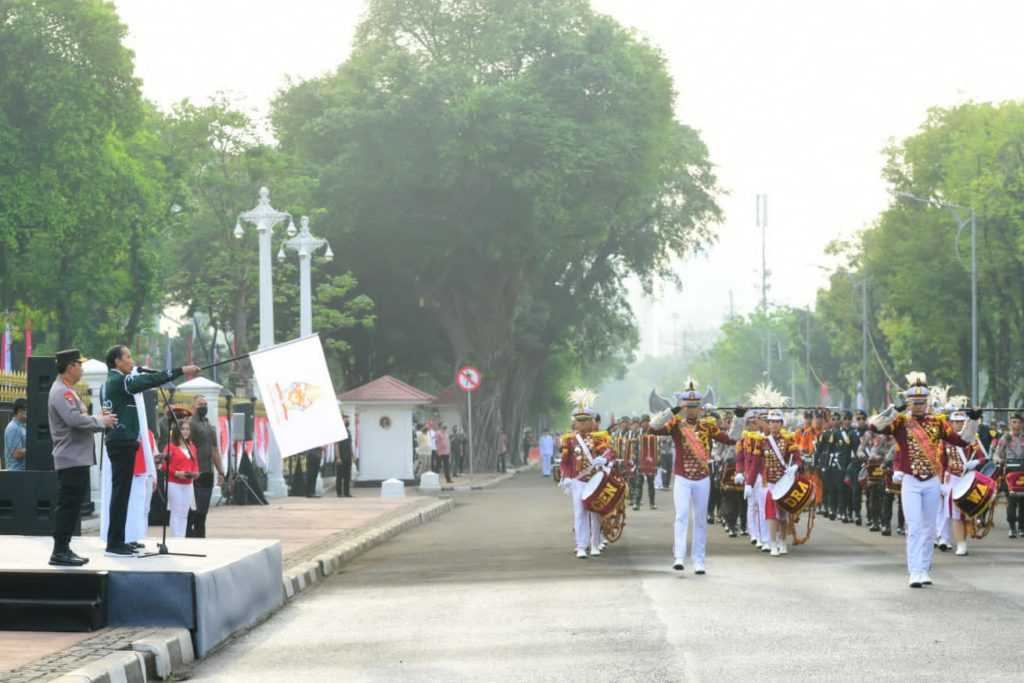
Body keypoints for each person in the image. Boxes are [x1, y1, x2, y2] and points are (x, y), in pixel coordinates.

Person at [869, 372, 979, 588]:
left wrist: (973, 420)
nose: (918, 406)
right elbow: (875, 426)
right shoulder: (900, 422)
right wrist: (893, 410)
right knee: (915, 526)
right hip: (910, 480)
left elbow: (962, 440)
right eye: (914, 402)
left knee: (929, 527)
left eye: (922, 402)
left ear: (926, 402)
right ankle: (915, 571)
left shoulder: (937, 423)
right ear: (908, 402)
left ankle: (925, 568)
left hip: (932, 480)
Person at [102, 344, 198, 557]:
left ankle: (119, 539)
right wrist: (181, 371)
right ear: (117, 361)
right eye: (127, 357)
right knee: (120, 495)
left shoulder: (111, 382)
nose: (131, 360)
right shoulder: (121, 380)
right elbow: (149, 381)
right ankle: (115, 542)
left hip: (120, 442)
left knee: (122, 494)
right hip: (122, 442)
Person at [649, 380, 743, 574]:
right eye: (688, 407)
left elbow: (731, 439)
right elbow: (653, 428)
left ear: (700, 408)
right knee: (681, 516)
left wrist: (739, 418)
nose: (692, 411)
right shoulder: (675, 424)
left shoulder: (708, 426)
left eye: (695, 407)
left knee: (700, 519)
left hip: (702, 478)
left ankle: (699, 560)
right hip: (682, 478)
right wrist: (671, 411)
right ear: (683, 407)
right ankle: (679, 557)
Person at [48, 349, 116, 566]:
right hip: (71, 458)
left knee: (72, 505)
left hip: (76, 457)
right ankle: (59, 551)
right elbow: (75, 420)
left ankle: (64, 548)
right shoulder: (62, 392)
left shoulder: (67, 390)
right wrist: (100, 422)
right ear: (70, 367)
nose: (82, 369)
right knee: (68, 506)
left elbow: (79, 419)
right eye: (80, 364)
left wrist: (96, 421)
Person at [558, 388, 616, 559]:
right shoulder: (569, 439)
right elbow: (565, 460)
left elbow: (610, 452)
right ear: (574, 423)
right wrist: (566, 477)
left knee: (595, 513)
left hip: (595, 480)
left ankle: (595, 544)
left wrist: (604, 459)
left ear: (592, 422)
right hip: (577, 480)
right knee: (580, 513)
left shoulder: (600, 437)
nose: (582, 424)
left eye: (586, 420)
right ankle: (581, 546)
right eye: (579, 421)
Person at [744, 408, 802, 556]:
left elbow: (797, 458)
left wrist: (795, 466)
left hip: (784, 482)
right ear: (768, 424)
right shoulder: (761, 441)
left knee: (783, 514)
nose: (774, 425)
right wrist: (749, 484)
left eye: (777, 422)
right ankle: (772, 542)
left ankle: (782, 540)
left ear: (782, 423)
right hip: (768, 482)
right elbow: (755, 464)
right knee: (770, 513)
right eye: (771, 422)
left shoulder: (788, 439)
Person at [187, 395, 224, 538]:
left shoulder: (209, 425)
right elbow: (187, 447)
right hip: (196, 473)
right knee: (195, 511)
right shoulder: (190, 424)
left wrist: (221, 471)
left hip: (208, 471)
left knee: (203, 511)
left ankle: (200, 538)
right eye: (200, 404)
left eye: (205, 404)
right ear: (193, 406)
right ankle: (191, 538)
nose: (203, 407)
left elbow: (214, 449)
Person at [165, 417, 199, 538]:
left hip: (188, 483)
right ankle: (175, 537)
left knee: (184, 513)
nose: (185, 431)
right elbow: (164, 465)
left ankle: (181, 537)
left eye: (187, 429)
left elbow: (195, 464)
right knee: (176, 511)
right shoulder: (171, 447)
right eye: (183, 429)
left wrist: (195, 473)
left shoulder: (192, 447)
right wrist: (175, 473)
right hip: (174, 483)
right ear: (177, 431)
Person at [993, 412, 1024, 538]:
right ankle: (1012, 527)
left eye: (1018, 422)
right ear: (1010, 424)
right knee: (1011, 501)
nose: (1016, 425)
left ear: (1022, 424)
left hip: (1023, 472)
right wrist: (999, 460)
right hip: (1010, 472)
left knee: (1023, 502)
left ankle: (1022, 527)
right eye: (1013, 422)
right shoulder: (1005, 438)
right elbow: (996, 454)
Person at [634, 416, 658, 511]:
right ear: (641, 423)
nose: (645, 423)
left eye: (647, 421)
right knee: (638, 483)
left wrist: (658, 457)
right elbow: (635, 447)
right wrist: (635, 456)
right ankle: (636, 503)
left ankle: (652, 503)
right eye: (643, 422)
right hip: (641, 461)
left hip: (651, 462)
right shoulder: (637, 433)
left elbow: (658, 445)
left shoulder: (654, 431)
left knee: (651, 483)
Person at [4, 397, 27, 471]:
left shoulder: (21, 427)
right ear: (20, 411)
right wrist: (33, 449)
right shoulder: (13, 428)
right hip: (16, 473)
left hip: (22, 472)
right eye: (27, 410)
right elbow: (17, 453)